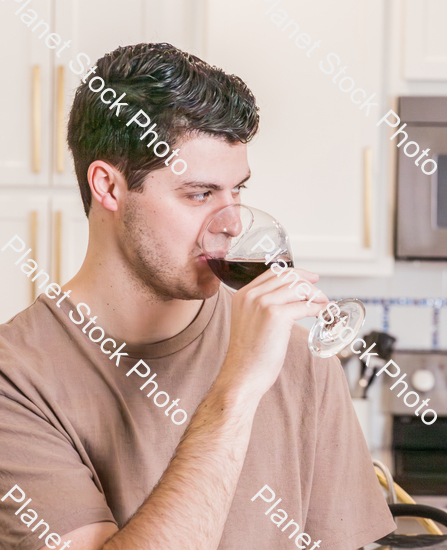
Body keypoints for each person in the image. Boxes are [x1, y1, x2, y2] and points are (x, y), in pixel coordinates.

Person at [0, 43, 395, 550]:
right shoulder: (17, 378)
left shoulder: (298, 354)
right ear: (109, 188)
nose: (231, 225)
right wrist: (238, 389)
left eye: (239, 192)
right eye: (200, 194)